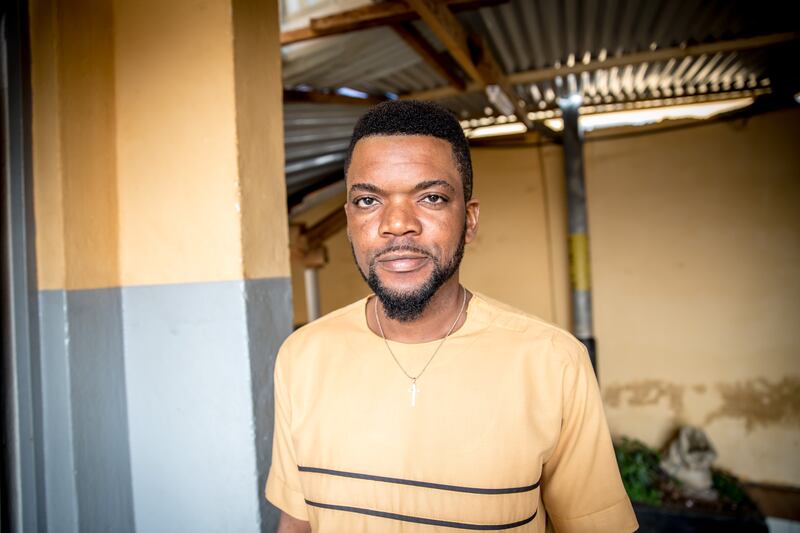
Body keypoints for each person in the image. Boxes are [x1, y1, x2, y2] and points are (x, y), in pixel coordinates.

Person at [266, 100, 638, 532]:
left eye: (431, 197)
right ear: (349, 219)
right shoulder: (301, 357)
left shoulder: (554, 363)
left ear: (470, 220)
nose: (397, 224)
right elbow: (297, 524)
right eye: (368, 200)